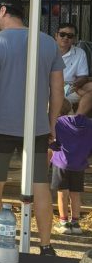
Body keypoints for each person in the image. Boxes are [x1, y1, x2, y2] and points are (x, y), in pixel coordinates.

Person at [0, 0, 64, 255]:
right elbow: (57, 90)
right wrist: (52, 125)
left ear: (3, 11)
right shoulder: (48, 42)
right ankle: (46, 245)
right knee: (40, 185)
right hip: (37, 127)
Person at [50, 89, 92, 235]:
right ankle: (75, 223)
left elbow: (53, 143)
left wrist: (53, 148)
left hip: (61, 162)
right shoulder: (87, 123)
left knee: (62, 192)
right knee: (75, 193)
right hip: (79, 164)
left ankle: (63, 222)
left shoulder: (58, 122)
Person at [55, 23, 89, 107]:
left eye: (70, 36)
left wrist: (74, 85)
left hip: (70, 88)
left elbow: (83, 76)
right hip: (49, 88)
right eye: (62, 34)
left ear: (74, 39)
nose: (66, 38)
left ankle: (77, 115)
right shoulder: (46, 50)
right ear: (56, 35)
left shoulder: (80, 53)